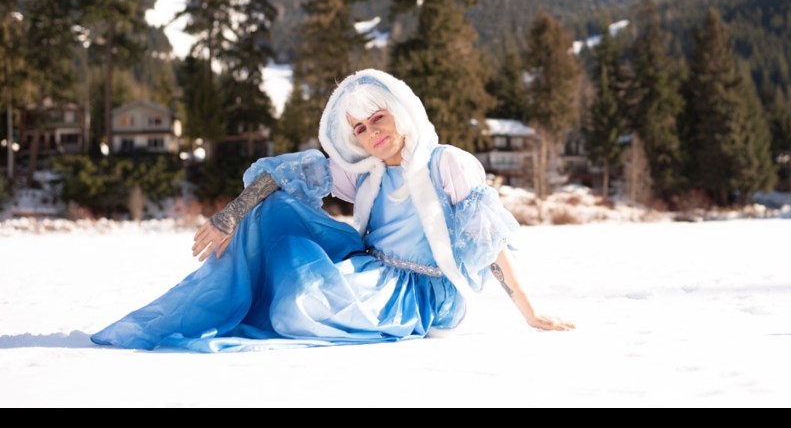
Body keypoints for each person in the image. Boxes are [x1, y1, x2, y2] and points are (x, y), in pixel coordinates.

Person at [91, 69, 574, 352]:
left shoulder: (448, 163)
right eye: (359, 129)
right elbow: (282, 177)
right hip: (371, 264)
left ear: (400, 111)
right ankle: (239, 299)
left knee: (296, 307)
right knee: (276, 210)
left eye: (377, 118)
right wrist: (231, 214)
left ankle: (282, 302)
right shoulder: (365, 173)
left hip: (422, 291)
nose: (371, 134)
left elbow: (485, 242)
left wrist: (529, 312)